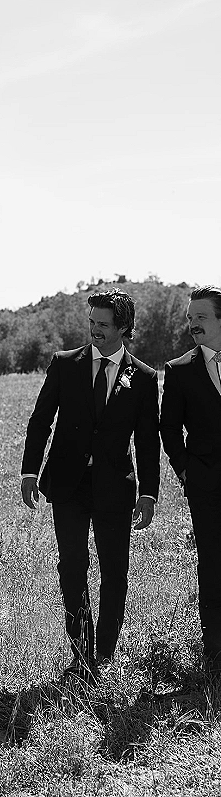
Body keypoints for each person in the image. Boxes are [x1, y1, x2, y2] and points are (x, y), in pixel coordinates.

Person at [20, 289, 160, 681]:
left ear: (123, 328)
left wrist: (149, 491)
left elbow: (149, 441)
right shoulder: (65, 364)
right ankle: (80, 654)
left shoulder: (145, 378)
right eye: (91, 322)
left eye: (103, 324)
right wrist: (30, 471)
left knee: (115, 570)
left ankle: (105, 653)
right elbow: (40, 419)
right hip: (68, 485)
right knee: (73, 568)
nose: (94, 330)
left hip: (116, 488)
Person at [160, 285, 221, 672]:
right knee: (213, 564)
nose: (192, 323)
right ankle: (215, 653)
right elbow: (169, 431)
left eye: (200, 316)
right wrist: (187, 474)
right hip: (206, 485)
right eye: (189, 316)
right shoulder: (179, 370)